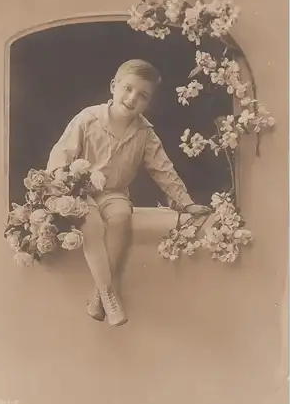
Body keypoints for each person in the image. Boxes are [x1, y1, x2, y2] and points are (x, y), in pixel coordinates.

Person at [46, 59, 210, 327]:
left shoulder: (145, 132)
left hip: (114, 192)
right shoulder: (88, 119)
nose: (132, 98)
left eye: (142, 96)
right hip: (79, 190)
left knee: (122, 215)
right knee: (91, 222)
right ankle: (109, 293)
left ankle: (97, 295)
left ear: (149, 103)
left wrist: (185, 202)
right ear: (114, 86)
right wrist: (59, 187)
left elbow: (162, 168)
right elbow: (59, 156)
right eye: (127, 89)